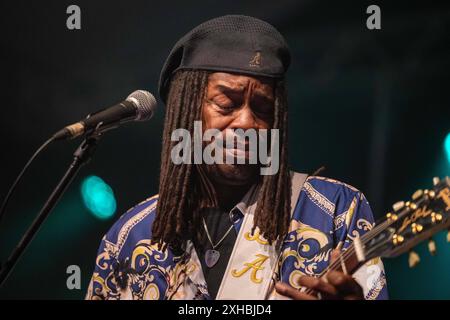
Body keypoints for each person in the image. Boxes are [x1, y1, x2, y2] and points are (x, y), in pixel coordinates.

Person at [86, 15, 388, 300]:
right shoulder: (129, 237)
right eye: (226, 103)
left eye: (262, 108)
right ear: (187, 110)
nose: (246, 122)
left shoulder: (337, 212)